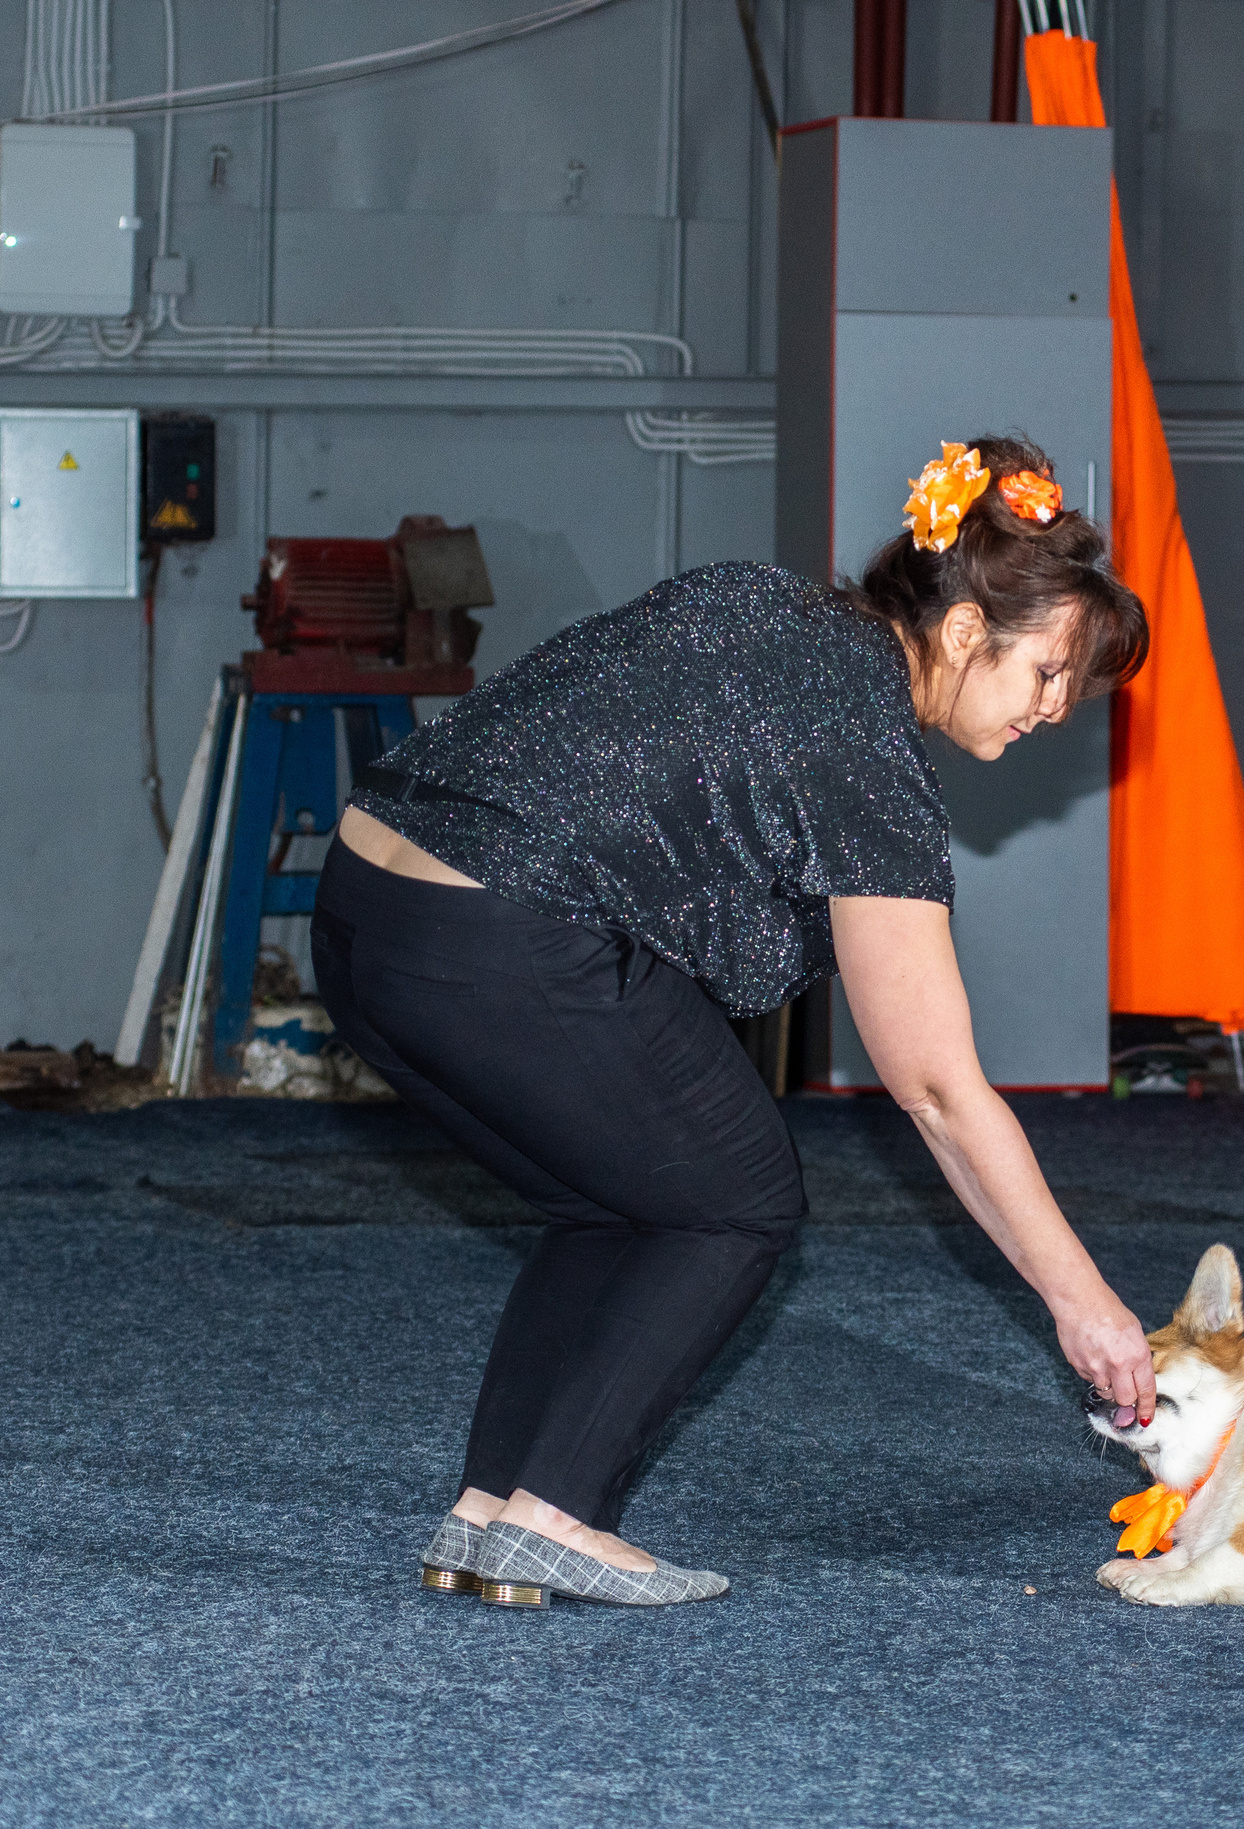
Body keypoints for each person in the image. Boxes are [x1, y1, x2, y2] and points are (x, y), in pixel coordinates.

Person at [312, 436, 1158, 1609]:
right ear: (964, 633)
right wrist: (1087, 1305)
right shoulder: (870, 756)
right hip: (497, 930)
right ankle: (559, 1513)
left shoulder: (757, 597)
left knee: (618, 1192)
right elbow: (938, 1091)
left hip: (363, 909)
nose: (1058, 710)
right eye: (1049, 673)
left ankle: (495, 1509)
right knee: (737, 1195)